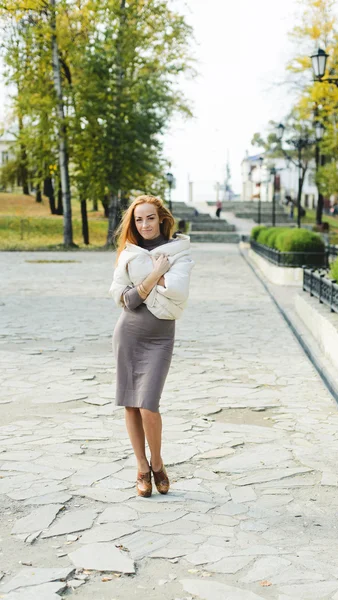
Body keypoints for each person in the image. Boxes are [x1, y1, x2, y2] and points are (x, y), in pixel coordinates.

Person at [109, 195, 194, 498]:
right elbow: (127, 300)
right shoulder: (128, 254)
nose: (145, 224)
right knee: (131, 403)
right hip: (129, 333)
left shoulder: (179, 253)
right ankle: (142, 468)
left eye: (150, 218)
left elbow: (178, 292)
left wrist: (142, 286)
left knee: (149, 404)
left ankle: (158, 463)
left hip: (160, 336)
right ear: (134, 223)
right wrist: (157, 274)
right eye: (138, 219)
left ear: (162, 219)